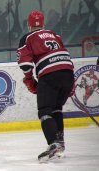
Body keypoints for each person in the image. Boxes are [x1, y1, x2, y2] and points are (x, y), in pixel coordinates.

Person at [17, 11, 74, 162]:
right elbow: (65, 56)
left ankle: (53, 144)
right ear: (43, 24)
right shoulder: (55, 35)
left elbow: (25, 64)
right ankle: (60, 143)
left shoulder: (27, 37)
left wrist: (29, 79)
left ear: (28, 25)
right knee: (56, 108)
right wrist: (70, 82)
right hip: (68, 72)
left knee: (45, 111)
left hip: (50, 75)